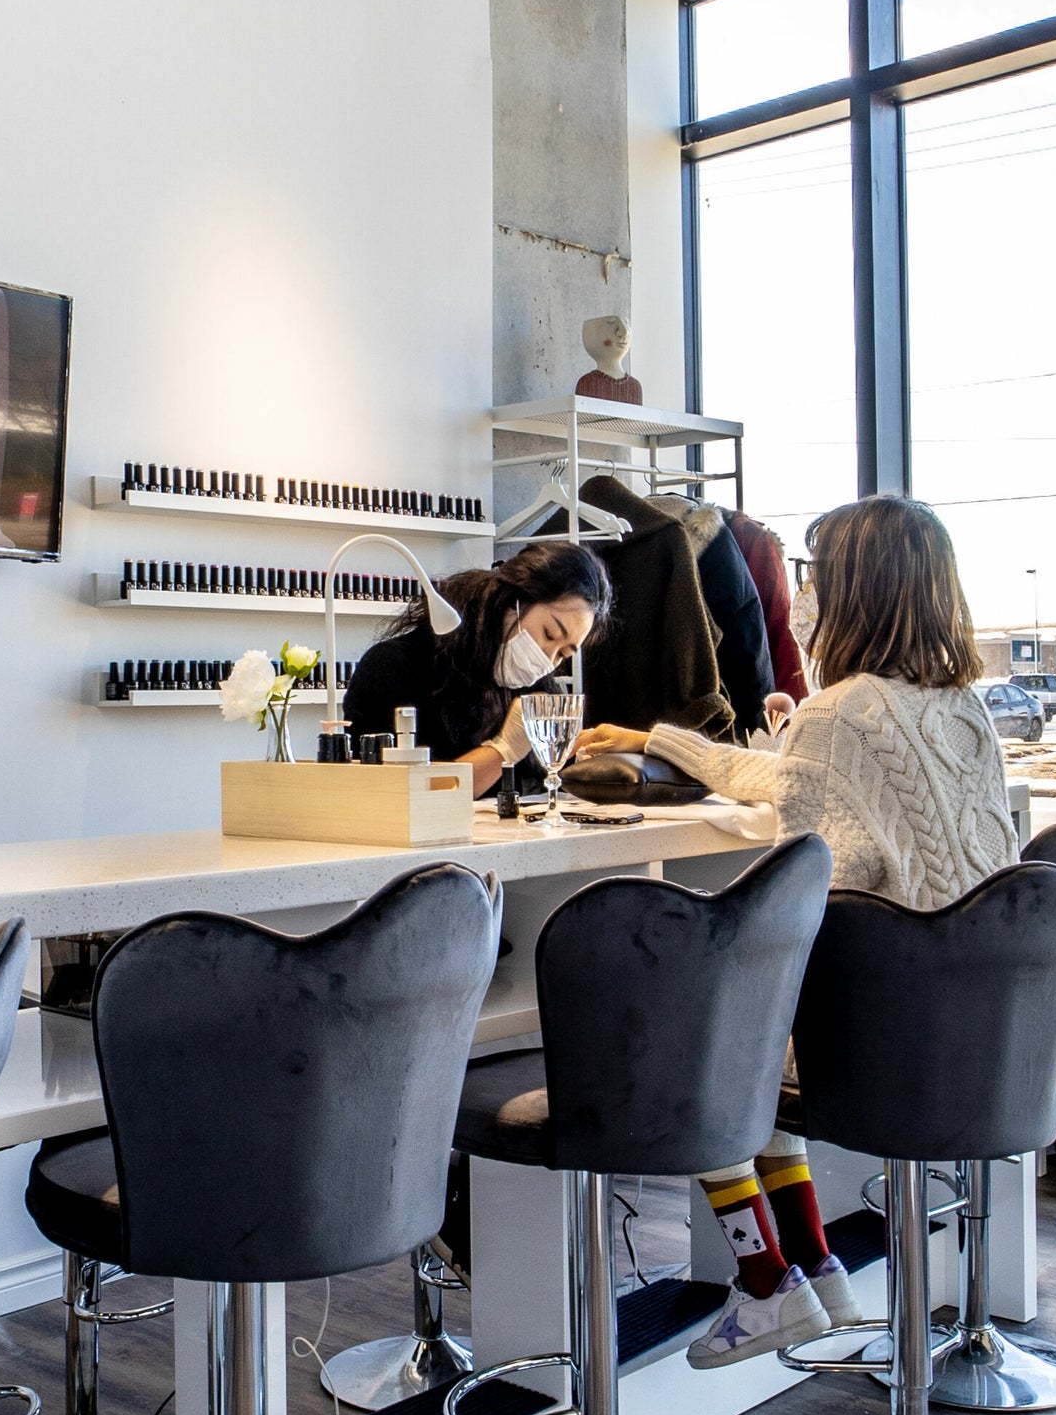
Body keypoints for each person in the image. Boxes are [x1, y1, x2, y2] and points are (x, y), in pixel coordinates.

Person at [573, 493, 1021, 1364]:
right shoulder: (961, 709)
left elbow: (812, 884)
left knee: (696, 1041)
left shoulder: (836, 713)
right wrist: (660, 739)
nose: (805, 596)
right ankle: (815, 1267)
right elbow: (792, 777)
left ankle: (766, 1281)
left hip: (891, 1037)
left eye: (818, 578)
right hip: (983, 1020)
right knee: (752, 1037)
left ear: (856, 589)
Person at [337, 537, 611, 801]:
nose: (546, 660)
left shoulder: (534, 688)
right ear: (512, 601)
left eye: (563, 654)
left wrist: (583, 759)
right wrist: (503, 749)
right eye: (549, 634)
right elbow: (396, 796)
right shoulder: (395, 666)